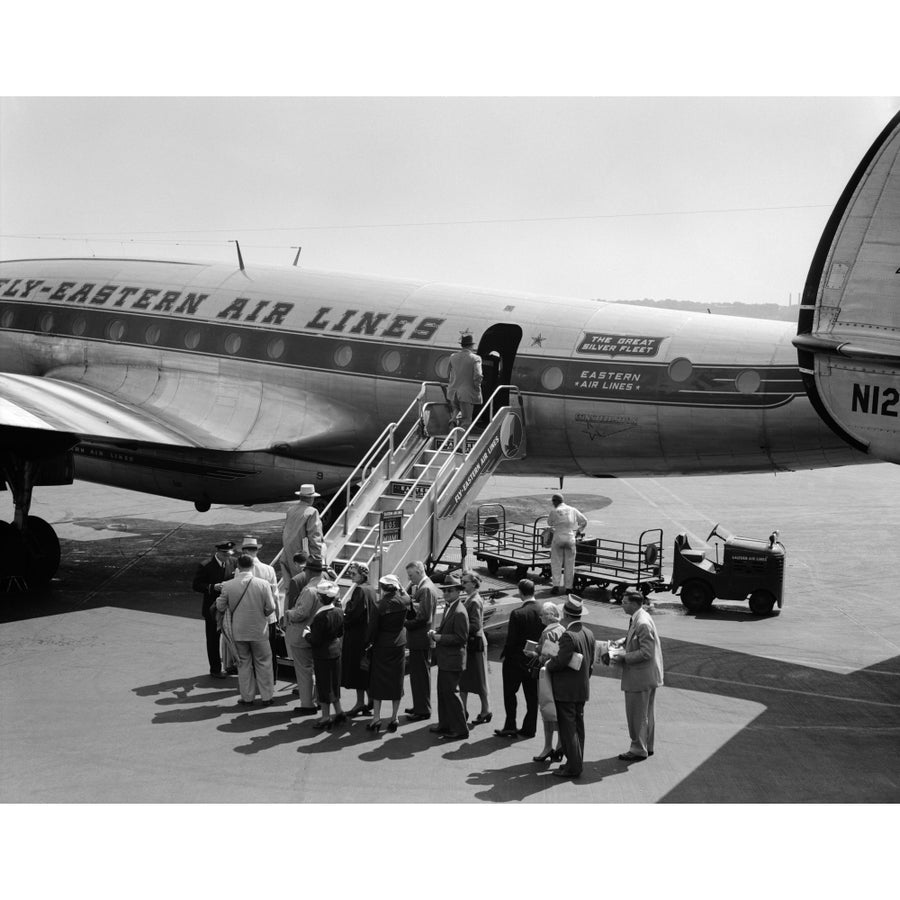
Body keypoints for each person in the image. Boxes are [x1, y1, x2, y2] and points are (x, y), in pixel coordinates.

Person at [605, 588, 664, 761]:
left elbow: (646, 652)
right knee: (646, 713)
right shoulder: (639, 618)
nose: (622, 605)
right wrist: (623, 641)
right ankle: (647, 745)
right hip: (647, 676)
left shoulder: (642, 622)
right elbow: (636, 638)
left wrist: (624, 656)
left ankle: (638, 749)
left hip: (640, 677)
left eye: (624, 603)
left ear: (633, 603)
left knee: (636, 714)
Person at [215, 554, 277, 706]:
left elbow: (220, 606)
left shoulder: (228, 585)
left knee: (243, 664)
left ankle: (247, 697)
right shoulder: (262, 584)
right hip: (259, 631)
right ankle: (267, 696)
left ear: (238, 567)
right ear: (252, 566)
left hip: (239, 631)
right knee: (264, 663)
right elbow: (271, 608)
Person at [545, 595, 596, 778]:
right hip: (581, 688)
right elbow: (590, 662)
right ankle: (575, 762)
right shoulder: (588, 633)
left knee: (568, 730)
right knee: (578, 728)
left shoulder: (568, 635)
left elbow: (560, 662)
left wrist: (548, 664)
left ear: (565, 614)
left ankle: (573, 767)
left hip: (566, 690)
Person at [495, 578, 544, 738]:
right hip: (535, 659)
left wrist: (506, 656)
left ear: (520, 593)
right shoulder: (543, 610)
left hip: (515, 660)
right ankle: (530, 728)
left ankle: (510, 724)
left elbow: (511, 640)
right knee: (532, 696)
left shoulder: (518, 613)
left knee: (510, 693)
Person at [365, 573, 411, 733]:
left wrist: (367, 643)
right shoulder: (405, 601)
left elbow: (372, 628)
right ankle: (394, 717)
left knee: (378, 681)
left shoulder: (379, 605)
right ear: (396, 587)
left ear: (383, 588)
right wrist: (400, 586)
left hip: (382, 645)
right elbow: (406, 596)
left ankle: (376, 718)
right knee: (396, 681)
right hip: (399, 644)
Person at [285, 556, 331, 715]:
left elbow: (300, 614)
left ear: (309, 571)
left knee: (304, 671)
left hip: (303, 634)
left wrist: (289, 613)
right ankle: (319, 701)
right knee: (318, 669)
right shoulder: (329, 586)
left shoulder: (309, 590)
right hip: (322, 635)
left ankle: (307, 704)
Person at [428, 575, 470, 740]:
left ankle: (460, 729)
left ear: (458, 591)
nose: (446, 593)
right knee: (443, 693)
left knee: (451, 694)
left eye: (450, 590)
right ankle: (445, 724)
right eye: (444, 590)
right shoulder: (450, 607)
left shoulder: (459, 611)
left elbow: (461, 638)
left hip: (453, 660)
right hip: (446, 658)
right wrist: (437, 633)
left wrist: (439, 638)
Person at [191, 539, 236, 678]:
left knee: (232, 637)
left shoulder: (233, 562)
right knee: (213, 640)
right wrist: (212, 587)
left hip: (228, 607)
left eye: (229, 553)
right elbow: (196, 585)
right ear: (218, 552)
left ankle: (231, 664)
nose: (227, 556)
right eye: (225, 554)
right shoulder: (205, 565)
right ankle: (215, 669)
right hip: (212, 609)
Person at [239, 535, 281, 678]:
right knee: (269, 650)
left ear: (244, 552)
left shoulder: (240, 571)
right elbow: (275, 595)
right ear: (256, 551)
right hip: (268, 617)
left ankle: (252, 679)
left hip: (248, 617)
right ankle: (271, 678)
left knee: (250, 652)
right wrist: (278, 615)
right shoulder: (269, 569)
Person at [306, 580, 346, 729]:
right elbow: (341, 632)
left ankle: (325, 717)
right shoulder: (339, 612)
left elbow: (315, 641)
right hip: (335, 651)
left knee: (323, 686)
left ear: (321, 598)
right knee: (334, 683)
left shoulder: (320, 617)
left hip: (322, 654)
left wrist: (307, 635)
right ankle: (339, 711)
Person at [530, 601, 566, 763]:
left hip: (548, 676)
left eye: (543, 614)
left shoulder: (548, 632)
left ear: (551, 615)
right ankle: (559, 746)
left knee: (547, 710)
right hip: (561, 677)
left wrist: (534, 655)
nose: (540, 617)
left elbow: (548, 656)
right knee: (558, 711)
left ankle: (547, 747)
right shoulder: (562, 629)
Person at [404, 560, 440, 721]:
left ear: (419, 571)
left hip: (420, 639)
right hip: (420, 639)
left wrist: (406, 623)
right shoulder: (425, 587)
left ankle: (423, 709)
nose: (410, 579)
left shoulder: (425, 589)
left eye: (411, 575)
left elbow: (424, 617)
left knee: (420, 675)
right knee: (418, 675)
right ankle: (419, 705)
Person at [341, 562, 375, 717]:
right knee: (365, 670)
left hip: (357, 637)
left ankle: (360, 702)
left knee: (357, 671)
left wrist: (345, 611)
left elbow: (353, 613)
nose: (351, 575)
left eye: (354, 573)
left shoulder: (360, 590)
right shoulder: (371, 589)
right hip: (366, 634)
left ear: (362, 575)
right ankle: (370, 699)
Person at [459, 571, 492, 724]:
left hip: (475, 643)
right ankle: (463, 709)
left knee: (479, 680)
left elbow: (475, 625)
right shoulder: (471, 598)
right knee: (466, 679)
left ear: (473, 583)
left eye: (465, 582)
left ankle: (485, 710)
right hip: (473, 643)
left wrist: (459, 627)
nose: (462, 584)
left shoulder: (474, 601)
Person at [281, 483, 325, 581]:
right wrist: (317, 560)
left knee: (292, 586)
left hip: (288, 554)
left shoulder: (291, 510)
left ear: (300, 496)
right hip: (303, 557)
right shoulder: (312, 512)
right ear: (311, 498)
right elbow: (315, 537)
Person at [547, 493, 588, 595]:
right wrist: (579, 530)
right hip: (570, 537)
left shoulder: (554, 511)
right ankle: (568, 588)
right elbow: (584, 520)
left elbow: (549, 523)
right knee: (569, 564)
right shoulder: (572, 509)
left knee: (556, 562)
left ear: (555, 501)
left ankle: (556, 585)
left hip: (558, 537)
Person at [447, 333, 483, 428]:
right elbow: (478, 375)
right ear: (471, 345)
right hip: (467, 393)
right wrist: (476, 388)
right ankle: (461, 440)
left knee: (456, 409)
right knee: (466, 420)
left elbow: (448, 374)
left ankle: (453, 420)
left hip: (453, 392)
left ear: (462, 345)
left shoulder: (453, 356)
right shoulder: (475, 358)